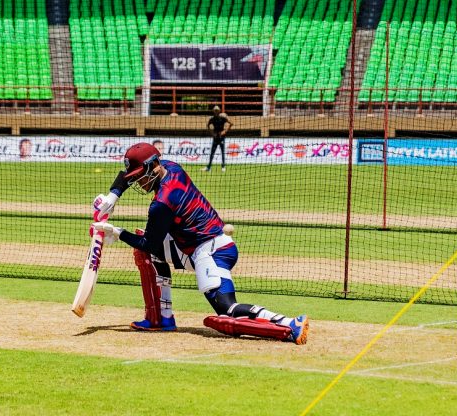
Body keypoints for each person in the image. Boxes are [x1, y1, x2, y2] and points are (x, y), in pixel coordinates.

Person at [89, 142, 308, 344]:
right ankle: (162, 318)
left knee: (226, 308)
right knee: (150, 253)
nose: (138, 181)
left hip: (212, 251)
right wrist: (112, 197)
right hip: (193, 246)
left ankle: (289, 323)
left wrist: (118, 232)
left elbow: (149, 243)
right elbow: (127, 179)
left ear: (154, 166)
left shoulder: (162, 203)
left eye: (140, 176)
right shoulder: (172, 167)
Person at [204, 105, 231, 172]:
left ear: (219, 111)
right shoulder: (212, 119)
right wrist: (212, 133)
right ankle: (209, 167)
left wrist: (225, 131)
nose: (216, 111)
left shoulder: (223, 118)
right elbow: (207, 126)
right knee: (212, 153)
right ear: (213, 111)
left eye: (217, 110)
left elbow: (231, 123)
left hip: (222, 138)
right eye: (215, 110)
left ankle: (223, 166)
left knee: (222, 152)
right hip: (215, 138)